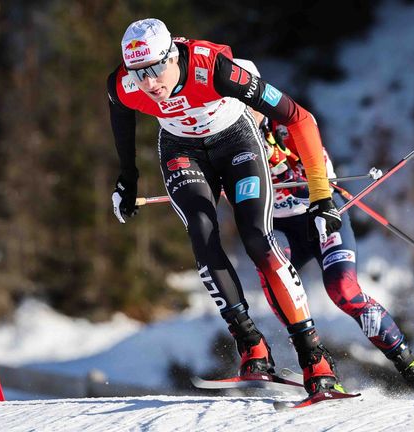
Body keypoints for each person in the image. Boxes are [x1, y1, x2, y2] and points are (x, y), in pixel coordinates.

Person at [107, 18, 346, 397]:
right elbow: (120, 116)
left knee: (257, 239)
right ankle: (251, 345)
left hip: (235, 142)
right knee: (202, 235)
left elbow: (299, 117)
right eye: (138, 74)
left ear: (172, 56)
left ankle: (313, 356)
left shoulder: (213, 69)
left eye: (155, 69)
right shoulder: (124, 84)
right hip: (181, 149)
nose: (149, 84)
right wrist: (127, 177)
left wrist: (321, 195)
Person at [233, 59, 414, 399]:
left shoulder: (289, 122)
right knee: (274, 280)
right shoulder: (227, 138)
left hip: (322, 217)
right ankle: (318, 366)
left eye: (244, 103)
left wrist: (276, 159)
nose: (240, 112)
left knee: (344, 291)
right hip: (281, 226)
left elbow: (320, 168)